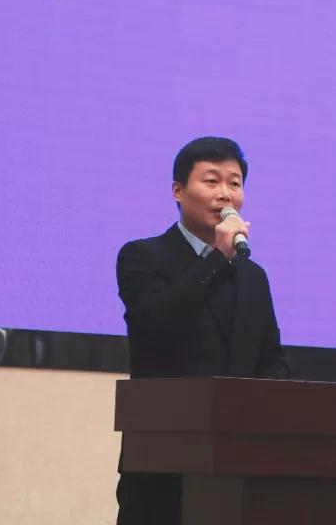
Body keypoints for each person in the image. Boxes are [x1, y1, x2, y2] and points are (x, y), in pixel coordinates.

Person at [115, 136, 288, 525]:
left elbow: (271, 357)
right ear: (178, 191)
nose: (225, 194)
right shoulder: (142, 256)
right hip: (162, 466)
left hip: (239, 465)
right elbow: (158, 324)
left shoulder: (253, 276)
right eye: (211, 181)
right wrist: (217, 259)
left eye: (234, 183)